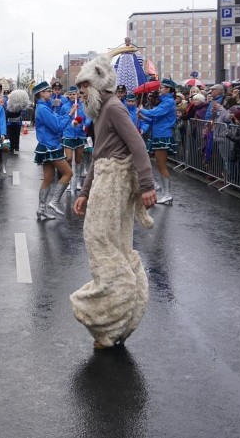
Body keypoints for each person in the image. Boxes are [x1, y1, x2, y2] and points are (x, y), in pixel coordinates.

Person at [70, 56, 156, 351]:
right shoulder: (100, 112)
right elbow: (98, 155)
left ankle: (114, 304)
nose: (80, 93)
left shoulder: (115, 108)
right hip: (105, 180)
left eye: (83, 87)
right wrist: (83, 191)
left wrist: (146, 185)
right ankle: (118, 316)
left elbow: (138, 146)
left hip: (116, 183)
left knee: (100, 239)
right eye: (79, 87)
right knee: (110, 243)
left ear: (96, 86)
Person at [32, 81, 75, 220]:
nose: (51, 93)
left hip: (47, 145)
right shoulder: (43, 109)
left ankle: (41, 209)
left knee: (48, 178)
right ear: (41, 93)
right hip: (50, 146)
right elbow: (57, 127)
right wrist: (70, 115)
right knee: (68, 173)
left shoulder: (45, 107)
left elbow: (57, 119)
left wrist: (69, 113)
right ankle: (54, 201)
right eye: (48, 91)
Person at [137, 78, 179, 204]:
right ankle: (157, 186)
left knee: (161, 165)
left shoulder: (169, 102)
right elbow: (154, 120)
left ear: (168, 90)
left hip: (163, 136)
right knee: (150, 161)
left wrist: (142, 110)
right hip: (158, 135)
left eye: (161, 87)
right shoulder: (164, 102)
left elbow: (155, 113)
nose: (159, 90)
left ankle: (167, 194)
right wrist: (142, 116)